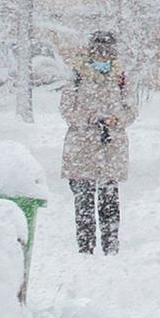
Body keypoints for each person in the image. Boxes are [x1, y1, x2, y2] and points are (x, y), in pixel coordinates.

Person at [60, 30, 133, 255]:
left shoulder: (121, 77)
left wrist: (116, 119)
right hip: (82, 147)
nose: (102, 54)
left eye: (107, 49)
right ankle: (85, 246)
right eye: (98, 49)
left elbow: (131, 109)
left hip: (110, 146)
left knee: (109, 199)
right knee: (83, 199)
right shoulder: (77, 75)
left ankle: (111, 244)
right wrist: (89, 119)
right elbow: (66, 109)